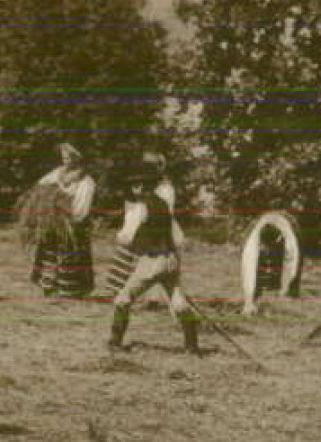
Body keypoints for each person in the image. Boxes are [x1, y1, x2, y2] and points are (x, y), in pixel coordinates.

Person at [109, 163, 200, 355]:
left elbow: (126, 238)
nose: (133, 188)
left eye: (135, 184)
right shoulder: (164, 205)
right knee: (178, 302)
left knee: (122, 300)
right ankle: (192, 346)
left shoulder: (141, 208)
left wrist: (119, 235)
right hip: (170, 260)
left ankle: (115, 343)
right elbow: (178, 237)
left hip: (151, 261)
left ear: (142, 186)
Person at [26, 143, 98, 297]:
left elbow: (81, 208)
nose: (66, 159)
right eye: (64, 156)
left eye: (70, 156)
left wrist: (68, 216)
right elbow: (41, 185)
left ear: (77, 158)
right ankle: (49, 287)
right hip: (53, 222)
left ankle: (69, 291)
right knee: (49, 253)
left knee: (70, 255)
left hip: (72, 225)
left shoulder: (86, 181)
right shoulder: (58, 173)